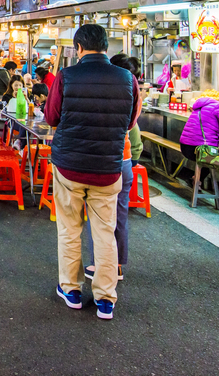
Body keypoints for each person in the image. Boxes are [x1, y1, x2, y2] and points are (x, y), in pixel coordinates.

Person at [44, 24, 140, 321]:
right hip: (108, 168)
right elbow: (130, 122)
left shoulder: (67, 76)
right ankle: (105, 299)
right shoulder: (128, 79)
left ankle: (71, 289)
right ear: (106, 47)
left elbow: (51, 116)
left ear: (78, 48)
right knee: (105, 233)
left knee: (69, 230)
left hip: (70, 167)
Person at [83, 54, 142, 281]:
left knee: (97, 215)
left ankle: (100, 265)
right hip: (124, 159)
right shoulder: (132, 90)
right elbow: (131, 125)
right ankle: (116, 265)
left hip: (102, 160)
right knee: (119, 215)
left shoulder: (104, 90)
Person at [179, 93, 219, 210]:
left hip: (187, 147)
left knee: (212, 153)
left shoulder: (206, 105)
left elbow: (213, 124)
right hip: (200, 150)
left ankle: (196, 179)